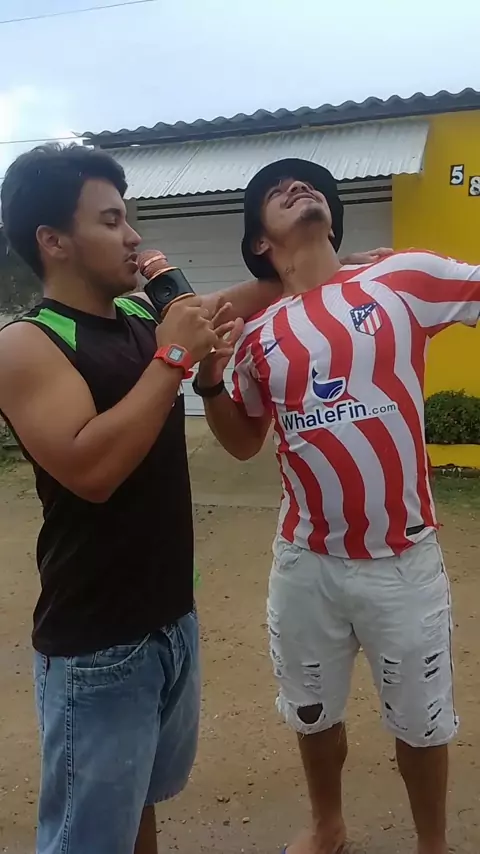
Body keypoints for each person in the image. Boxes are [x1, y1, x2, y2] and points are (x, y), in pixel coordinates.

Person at [0, 143, 386, 854]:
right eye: (110, 221)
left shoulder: (135, 315)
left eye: (129, 218)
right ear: (53, 241)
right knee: (89, 837)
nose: (133, 235)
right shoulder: (28, 344)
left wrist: (333, 272)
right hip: (97, 640)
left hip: (169, 618)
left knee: (138, 803)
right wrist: (174, 357)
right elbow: (91, 468)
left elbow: (244, 299)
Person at [195, 157, 480, 854]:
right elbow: (243, 441)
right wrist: (209, 382)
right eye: (276, 191)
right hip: (307, 563)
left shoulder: (399, 277)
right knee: (312, 709)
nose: (297, 187)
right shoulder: (258, 336)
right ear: (260, 240)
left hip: (402, 560)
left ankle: (433, 845)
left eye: (307, 183)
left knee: (422, 722)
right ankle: (328, 826)